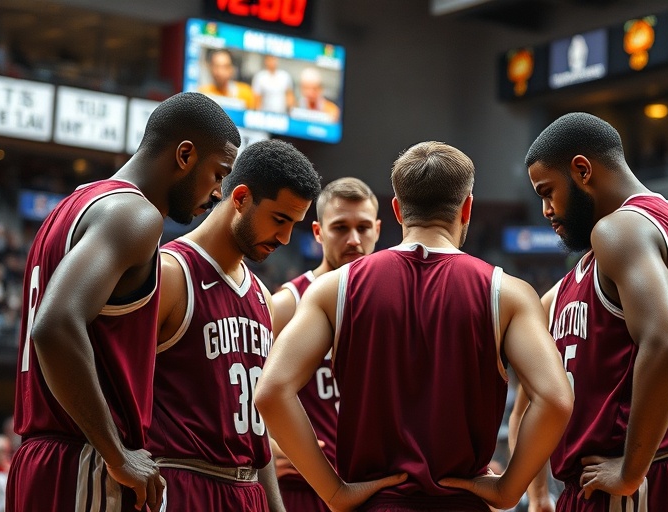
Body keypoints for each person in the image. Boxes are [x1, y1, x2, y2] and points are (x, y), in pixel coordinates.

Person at [254, 141, 574, 511]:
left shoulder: (333, 288)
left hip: (373, 504)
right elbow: (555, 399)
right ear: (467, 207)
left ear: (396, 210)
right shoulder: (510, 294)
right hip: (461, 503)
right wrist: (508, 490)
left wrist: (335, 492)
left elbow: (271, 392)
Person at [6, 91, 241, 511]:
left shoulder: (74, 204)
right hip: (84, 460)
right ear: (185, 155)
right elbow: (54, 326)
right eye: (218, 173)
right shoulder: (135, 215)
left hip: (39, 460)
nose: (219, 192)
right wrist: (117, 454)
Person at [515, 112, 668, 511]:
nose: (545, 209)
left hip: (631, 484)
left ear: (582, 170)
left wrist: (631, 469)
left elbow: (667, 345)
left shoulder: (619, 230)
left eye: (547, 192)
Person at [146, 139, 322, 511]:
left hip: (248, 492)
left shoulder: (262, 295)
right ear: (240, 198)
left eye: (294, 224)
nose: (286, 238)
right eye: (279, 219)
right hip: (182, 482)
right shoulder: (171, 273)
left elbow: (258, 432)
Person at [269, 177, 381, 511]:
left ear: (377, 229)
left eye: (363, 228)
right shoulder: (287, 304)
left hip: (370, 487)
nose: (354, 240)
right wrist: (263, 444)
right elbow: (237, 389)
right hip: (305, 490)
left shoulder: (387, 302)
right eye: (340, 228)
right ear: (318, 232)